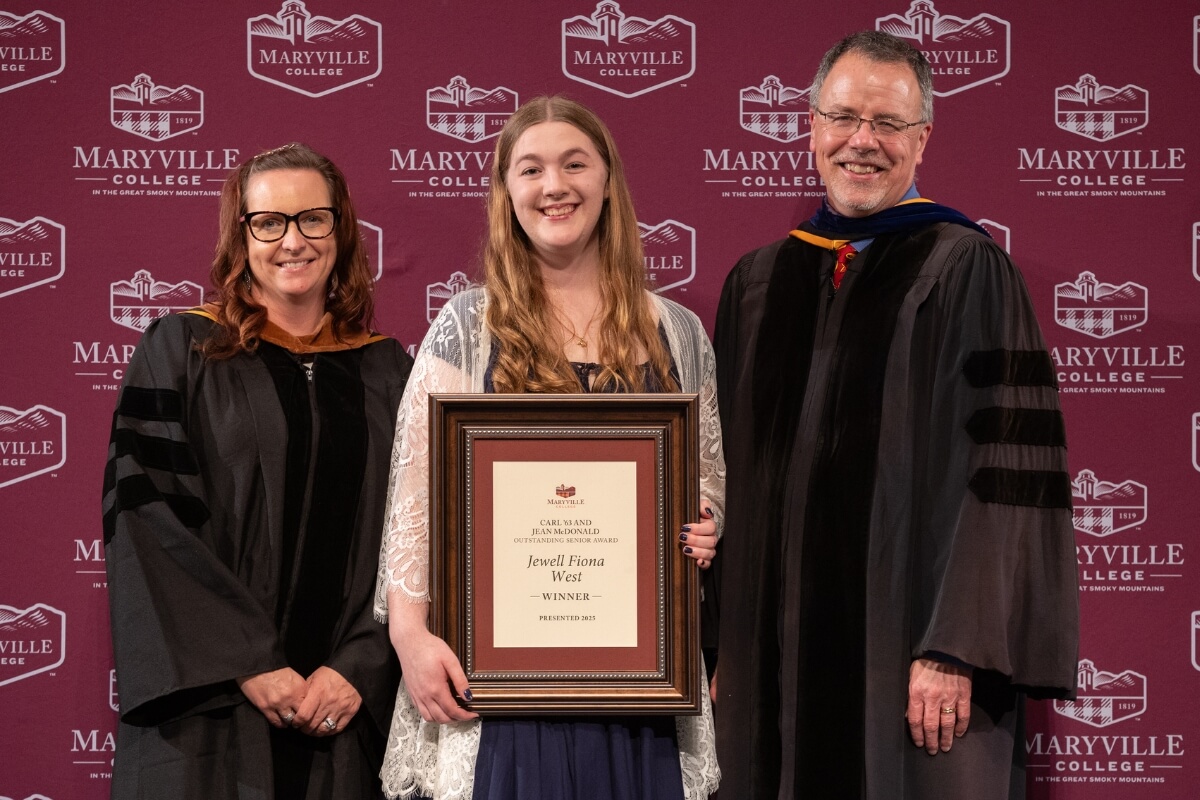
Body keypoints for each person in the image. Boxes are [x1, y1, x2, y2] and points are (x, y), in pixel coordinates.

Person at [711, 31, 1079, 799]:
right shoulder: (758, 283)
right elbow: (723, 479)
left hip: (911, 662)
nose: (862, 142)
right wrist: (722, 647)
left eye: (887, 124)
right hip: (770, 670)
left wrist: (956, 648)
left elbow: (1005, 473)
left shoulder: (967, 269)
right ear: (810, 126)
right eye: (843, 117)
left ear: (923, 140)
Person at [374, 96, 724, 800]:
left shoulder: (678, 331)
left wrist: (705, 523)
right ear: (507, 192)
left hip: (638, 692)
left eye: (574, 164)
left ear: (608, 183)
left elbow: (705, 475)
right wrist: (410, 637)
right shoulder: (467, 325)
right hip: (498, 688)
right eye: (530, 168)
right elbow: (414, 503)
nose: (553, 185)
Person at [102, 142, 412, 799]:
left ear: (341, 230)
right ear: (240, 236)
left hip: (345, 713)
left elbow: (418, 538)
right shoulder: (181, 351)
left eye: (312, 219)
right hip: (212, 711)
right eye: (268, 222)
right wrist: (249, 661)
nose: (292, 241)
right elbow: (149, 519)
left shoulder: (388, 371)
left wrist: (360, 664)